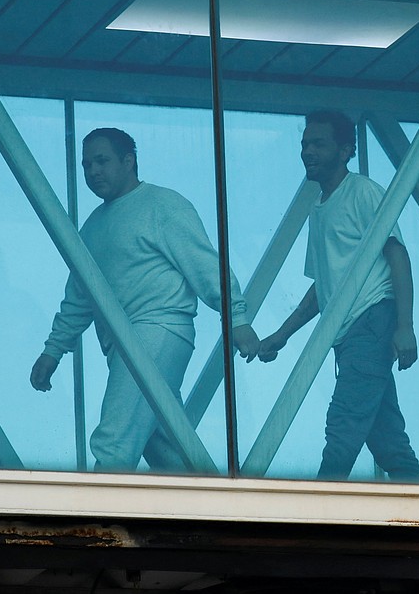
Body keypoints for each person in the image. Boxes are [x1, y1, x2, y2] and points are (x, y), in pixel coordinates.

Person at [30, 127, 259, 472]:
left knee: (115, 440)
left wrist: (236, 318)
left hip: (159, 328)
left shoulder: (162, 205)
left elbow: (205, 266)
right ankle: (209, 515)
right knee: (168, 450)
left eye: (102, 161)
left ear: (129, 161)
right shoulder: (92, 226)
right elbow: (79, 297)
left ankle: (98, 520)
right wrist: (53, 350)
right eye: (86, 164)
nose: (93, 171)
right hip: (121, 346)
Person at [258, 110, 419, 481]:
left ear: (346, 150)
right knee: (388, 443)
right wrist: (281, 336)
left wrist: (405, 326)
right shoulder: (319, 209)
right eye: (304, 144)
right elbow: (322, 288)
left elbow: (397, 253)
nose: (307, 151)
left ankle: (318, 517)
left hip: (371, 321)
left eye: (318, 143)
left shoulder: (361, 191)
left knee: (343, 425)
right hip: (348, 335)